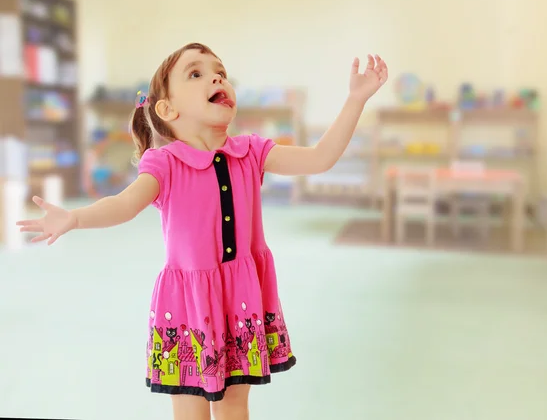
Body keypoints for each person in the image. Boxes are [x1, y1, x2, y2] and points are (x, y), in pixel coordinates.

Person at [16, 42, 388, 420]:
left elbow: (320, 157)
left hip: (240, 303)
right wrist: (75, 217)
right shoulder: (164, 164)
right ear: (167, 109)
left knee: (234, 408)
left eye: (221, 72)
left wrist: (356, 99)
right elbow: (123, 204)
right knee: (190, 412)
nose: (216, 77)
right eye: (196, 73)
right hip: (187, 309)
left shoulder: (252, 152)